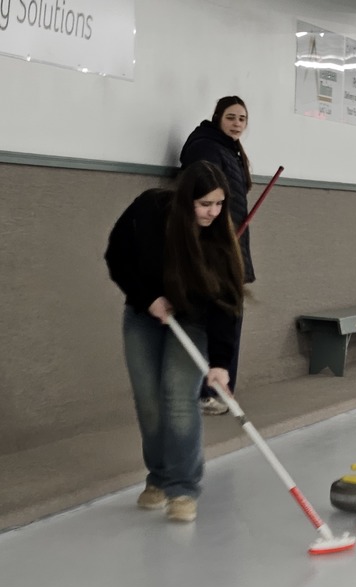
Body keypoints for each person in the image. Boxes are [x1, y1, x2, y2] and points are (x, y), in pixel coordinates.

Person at [105, 161, 244, 523]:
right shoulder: (150, 210)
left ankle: (183, 489)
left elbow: (227, 303)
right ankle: (159, 479)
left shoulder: (217, 240)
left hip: (193, 321)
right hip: (144, 314)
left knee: (179, 398)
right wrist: (148, 296)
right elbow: (117, 256)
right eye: (204, 204)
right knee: (149, 401)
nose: (213, 212)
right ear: (185, 201)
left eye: (218, 204)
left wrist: (221, 362)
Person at [180, 96, 255, 414]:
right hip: (216, 245)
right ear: (217, 118)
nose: (237, 123)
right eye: (231, 117)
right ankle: (210, 392)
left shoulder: (230, 150)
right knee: (220, 314)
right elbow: (202, 199)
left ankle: (218, 388)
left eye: (242, 118)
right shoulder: (207, 148)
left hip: (232, 243)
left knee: (229, 312)